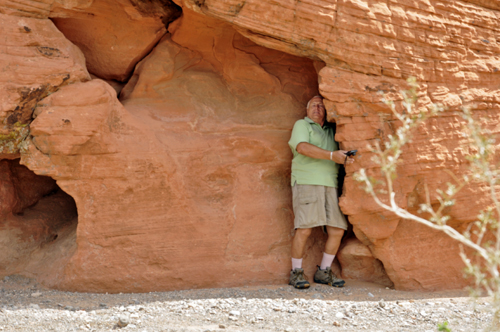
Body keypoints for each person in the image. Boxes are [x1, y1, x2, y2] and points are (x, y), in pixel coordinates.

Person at [287, 95, 354, 289]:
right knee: (305, 228)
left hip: (330, 184)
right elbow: (302, 147)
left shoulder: (332, 130)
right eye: (313, 105)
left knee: (337, 229)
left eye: (321, 106)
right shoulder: (302, 125)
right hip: (307, 181)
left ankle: (324, 271)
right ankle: (296, 272)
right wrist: (332, 156)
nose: (317, 108)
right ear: (307, 110)